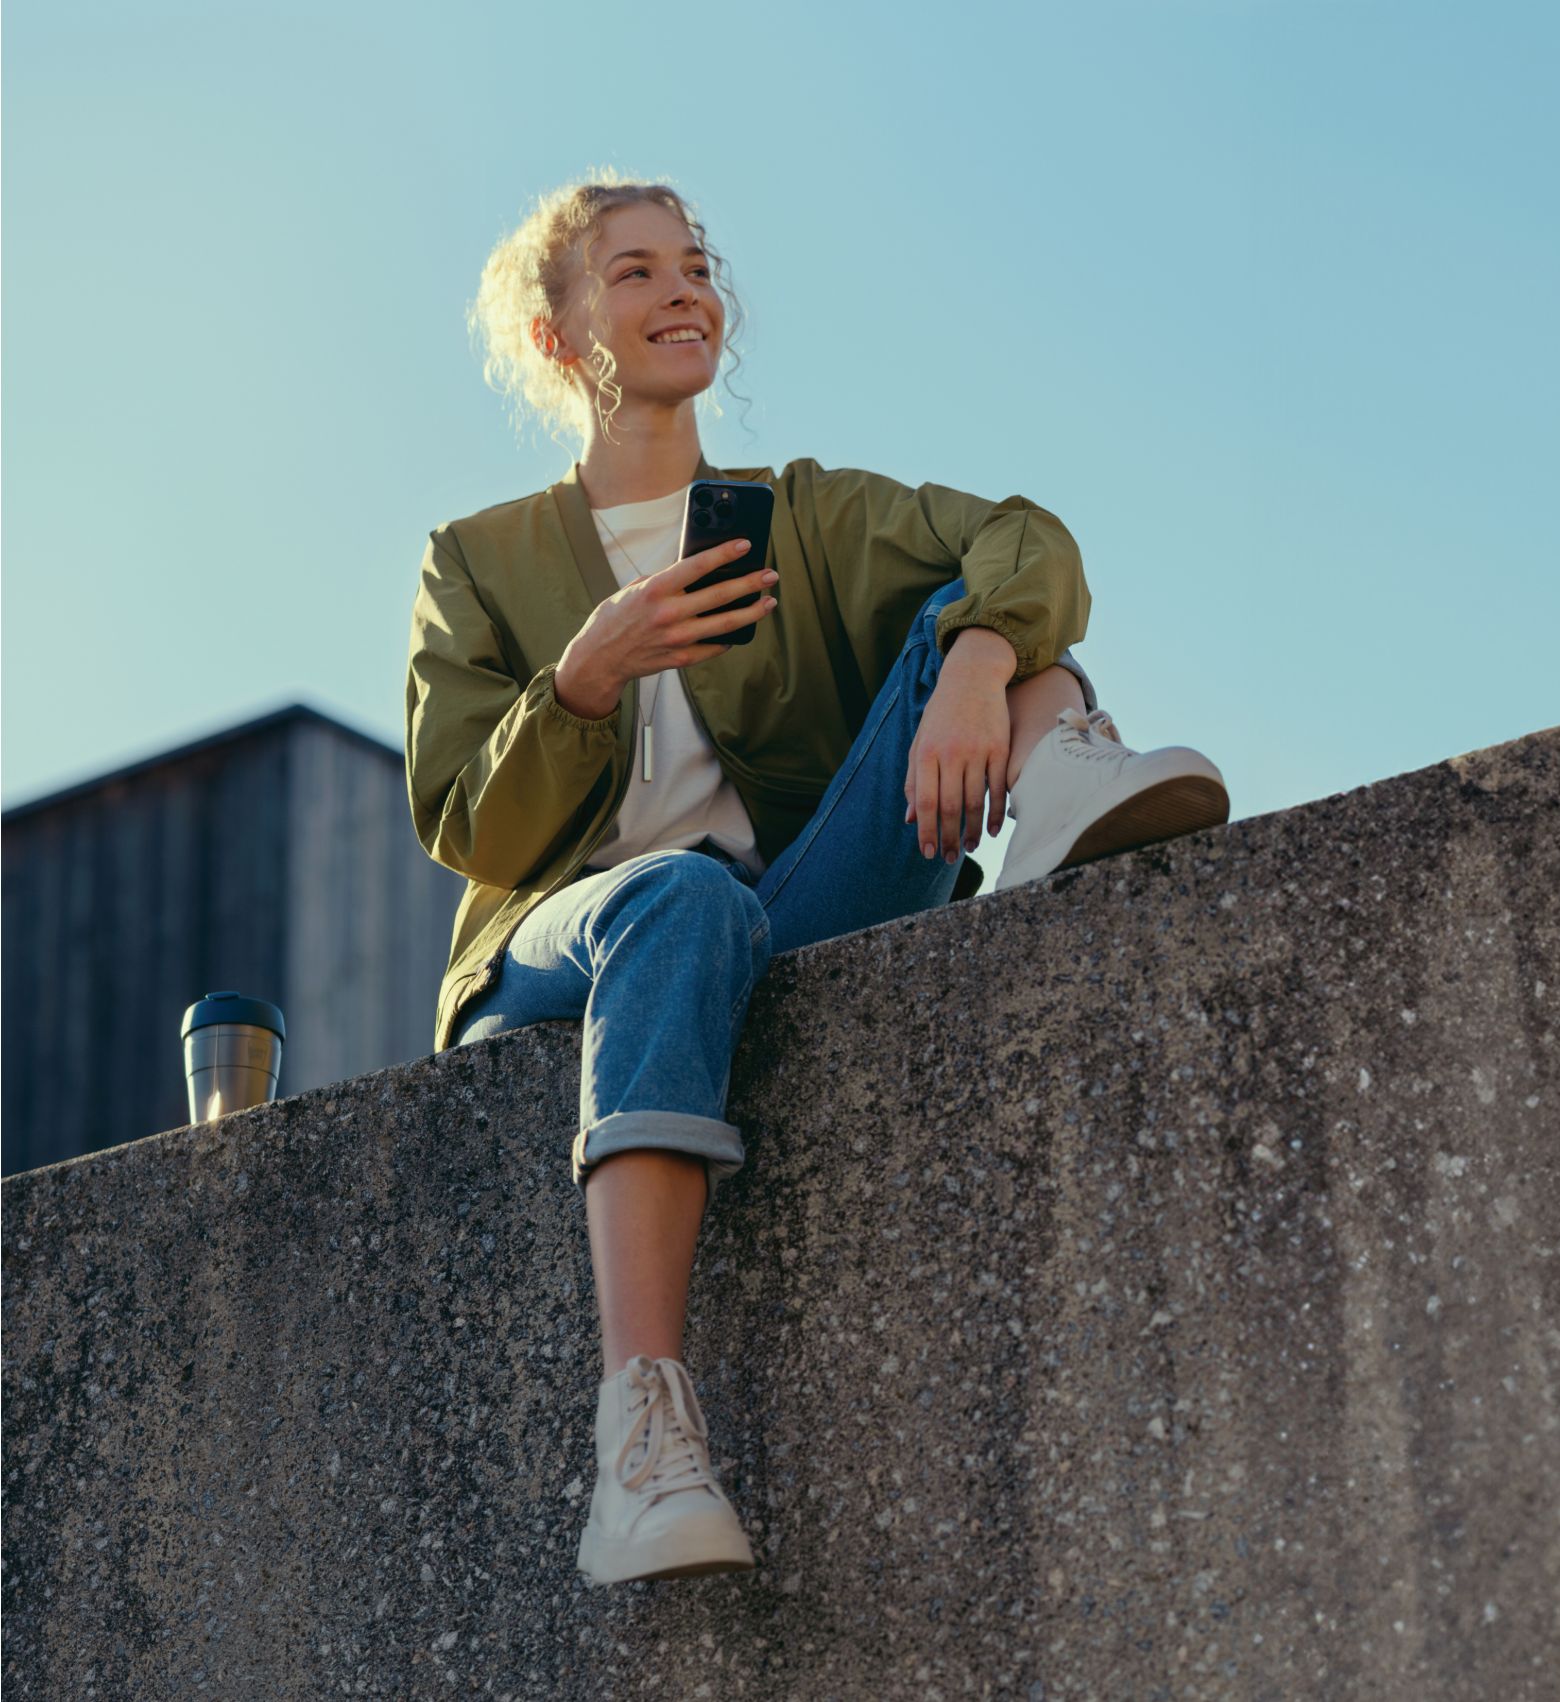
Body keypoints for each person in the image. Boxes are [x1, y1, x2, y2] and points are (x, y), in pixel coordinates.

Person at [403, 172, 1228, 1586]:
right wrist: (584, 677)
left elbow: (1026, 541)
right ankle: (639, 1439)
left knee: (983, 609)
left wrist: (974, 662)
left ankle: (1060, 776)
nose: (683, 290)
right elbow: (465, 819)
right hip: (567, 954)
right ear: (557, 337)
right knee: (678, 894)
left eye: (698, 263)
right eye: (635, 271)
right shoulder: (478, 561)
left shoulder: (801, 516)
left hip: (781, 914)